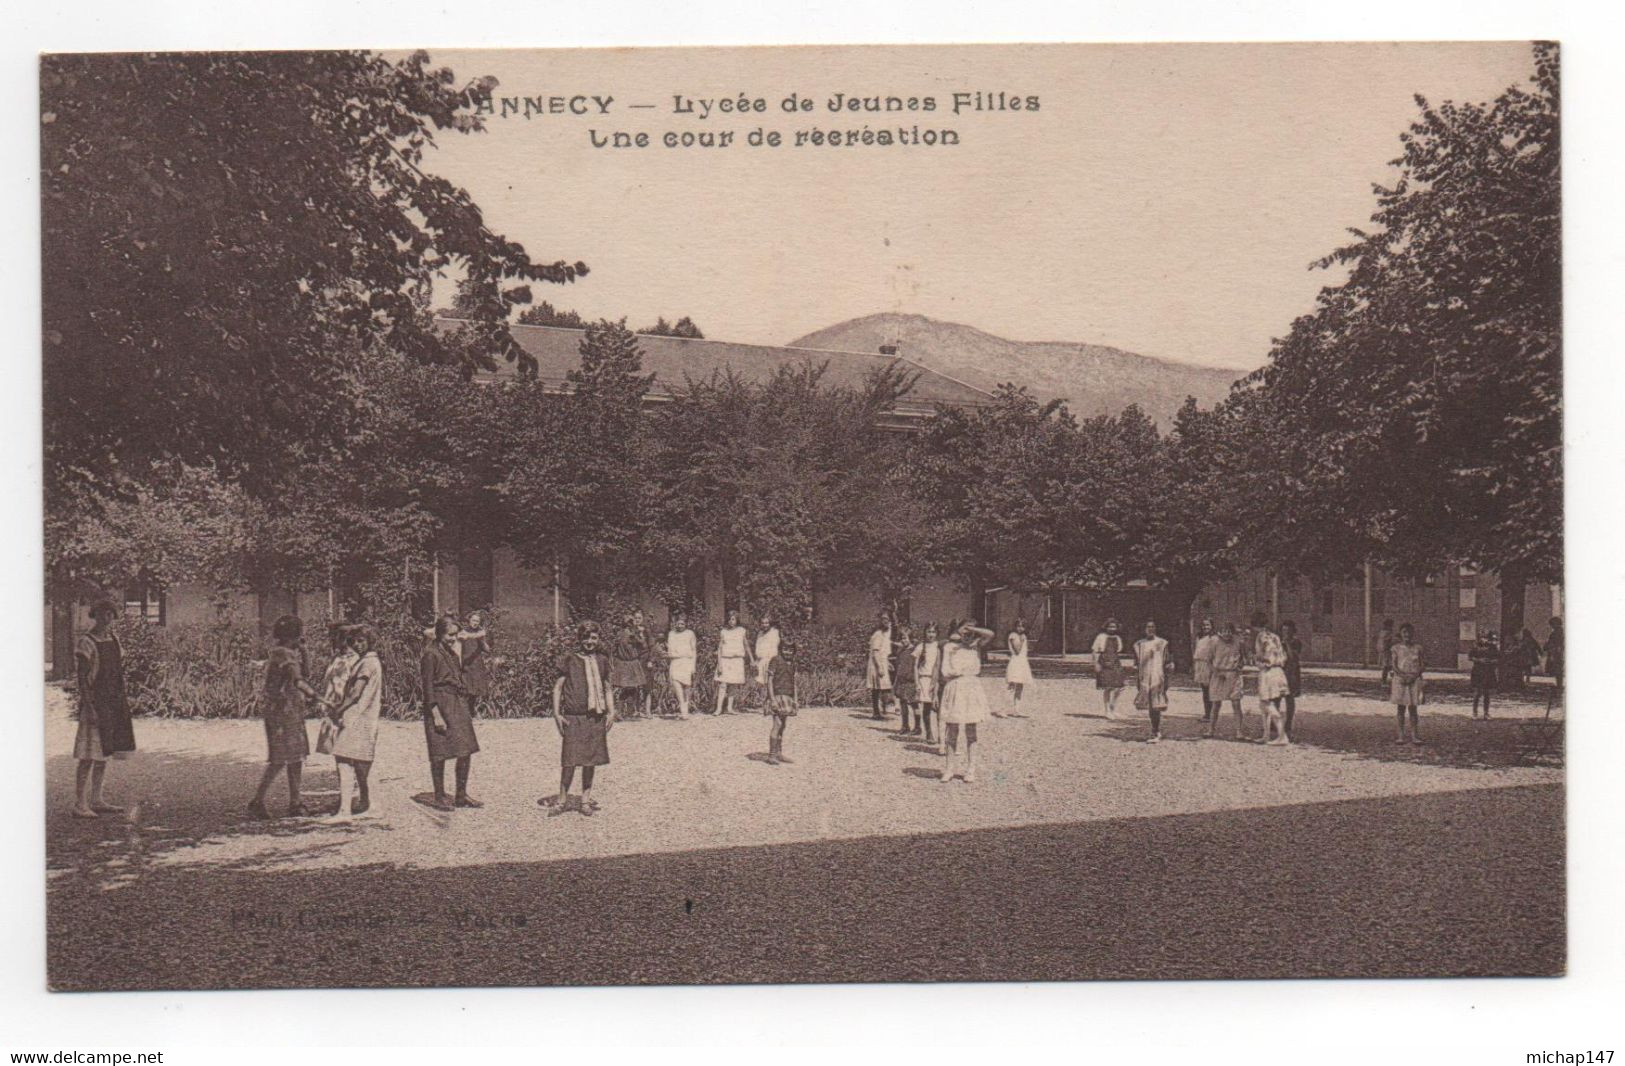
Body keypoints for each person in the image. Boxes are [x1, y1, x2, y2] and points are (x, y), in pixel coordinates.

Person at [248, 614, 320, 819]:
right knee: (281, 758)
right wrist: (316, 696)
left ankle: (295, 802)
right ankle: (257, 800)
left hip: (290, 711)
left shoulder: (286, 653)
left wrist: (304, 652)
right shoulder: (284, 655)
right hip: (282, 712)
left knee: (296, 757)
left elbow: (305, 672)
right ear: (295, 635)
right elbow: (299, 680)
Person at [71, 600, 136, 819]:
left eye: (110, 614)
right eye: (102, 614)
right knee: (88, 754)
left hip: (113, 701)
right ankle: (80, 804)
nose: (106, 618)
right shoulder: (86, 642)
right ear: (95, 615)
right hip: (95, 701)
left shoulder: (115, 640)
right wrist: (88, 705)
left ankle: (97, 799)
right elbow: (82, 678)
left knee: (104, 751)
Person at [546, 622, 616, 815]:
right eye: (586, 638)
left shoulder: (602, 660)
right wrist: (557, 713)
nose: (589, 642)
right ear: (580, 639)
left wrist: (611, 712)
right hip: (574, 717)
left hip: (595, 718)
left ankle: (585, 800)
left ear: (598, 639)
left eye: (593, 638)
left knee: (590, 760)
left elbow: (608, 688)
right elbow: (558, 689)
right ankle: (562, 800)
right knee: (569, 760)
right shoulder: (569, 659)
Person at [420, 616, 481, 811]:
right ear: (439, 633)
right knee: (440, 751)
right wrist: (435, 713)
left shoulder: (452, 654)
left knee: (466, 748)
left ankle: (461, 796)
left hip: (457, 703)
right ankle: (439, 796)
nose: (453, 639)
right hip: (439, 704)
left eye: (455, 634)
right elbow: (427, 686)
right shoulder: (430, 654)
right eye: (449, 635)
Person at [326, 624, 384, 821]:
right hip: (367, 717)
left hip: (356, 716)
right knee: (362, 764)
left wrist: (338, 709)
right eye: (354, 641)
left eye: (362, 640)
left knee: (344, 761)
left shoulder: (366, 664)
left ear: (370, 640)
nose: (358, 644)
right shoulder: (372, 661)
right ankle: (371, 805)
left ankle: (345, 811)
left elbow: (355, 693)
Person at [939, 621, 994, 783]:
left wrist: (973, 630)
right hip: (955, 686)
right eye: (964, 628)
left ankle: (971, 769)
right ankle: (949, 769)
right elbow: (945, 672)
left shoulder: (976, 646)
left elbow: (990, 634)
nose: (967, 633)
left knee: (971, 730)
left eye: (971, 630)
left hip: (971, 688)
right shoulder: (949, 647)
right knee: (952, 729)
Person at [1251, 612, 1290, 746]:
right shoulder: (1275, 636)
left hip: (1267, 671)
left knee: (1266, 703)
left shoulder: (1261, 637)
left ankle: (1282, 735)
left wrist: (1258, 661)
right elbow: (1283, 656)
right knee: (1264, 705)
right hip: (1278, 671)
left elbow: (1264, 656)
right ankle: (1266, 735)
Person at [763, 638, 800, 765]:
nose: (787, 652)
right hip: (777, 696)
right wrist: (772, 698)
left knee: (783, 725)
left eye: (790, 650)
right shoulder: (776, 660)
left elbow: (794, 683)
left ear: (793, 651)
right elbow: (770, 680)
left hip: (787, 697)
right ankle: (771, 755)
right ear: (780, 649)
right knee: (777, 724)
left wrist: (795, 699)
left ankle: (778, 752)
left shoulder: (793, 664)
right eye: (785, 649)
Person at [1207, 621, 1247, 739]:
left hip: (1233, 675)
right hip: (1219, 675)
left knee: (1236, 703)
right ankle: (1210, 730)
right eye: (1224, 631)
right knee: (1216, 704)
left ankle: (1239, 732)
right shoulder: (1214, 641)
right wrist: (1216, 672)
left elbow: (1243, 658)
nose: (1227, 634)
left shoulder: (1238, 642)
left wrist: (1239, 666)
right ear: (1220, 632)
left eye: (1229, 631)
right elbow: (1208, 661)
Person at [1133, 620, 1171, 743]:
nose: (1150, 629)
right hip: (1144, 677)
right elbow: (1137, 663)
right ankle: (1154, 729)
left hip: (1157, 676)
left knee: (1156, 704)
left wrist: (1166, 678)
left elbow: (1167, 662)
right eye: (1148, 627)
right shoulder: (1139, 644)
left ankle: (1156, 731)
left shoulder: (1162, 643)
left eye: (1153, 627)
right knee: (1149, 705)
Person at [1388, 622, 1426, 745]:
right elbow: (1394, 665)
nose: (1407, 635)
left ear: (1413, 634)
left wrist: (1414, 676)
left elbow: (1422, 664)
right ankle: (1401, 736)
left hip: (1414, 679)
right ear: (1401, 634)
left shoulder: (1418, 648)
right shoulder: (1396, 648)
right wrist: (1402, 676)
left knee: (1413, 708)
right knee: (1401, 708)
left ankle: (1415, 736)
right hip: (1400, 680)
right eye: (1404, 632)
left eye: (1409, 632)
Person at [609, 610, 650, 717]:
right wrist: (640, 633)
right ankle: (623, 711)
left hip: (623, 663)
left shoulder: (620, 633)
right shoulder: (631, 634)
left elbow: (614, 649)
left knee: (629, 688)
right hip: (630, 663)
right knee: (630, 688)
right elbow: (643, 644)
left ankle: (625, 711)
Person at [714, 610, 751, 715]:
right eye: (729, 619)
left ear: (737, 620)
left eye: (733, 619)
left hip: (737, 660)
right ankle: (718, 708)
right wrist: (720, 664)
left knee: (733, 684)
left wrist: (752, 659)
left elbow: (746, 645)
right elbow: (720, 648)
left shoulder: (741, 630)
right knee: (723, 684)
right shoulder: (723, 632)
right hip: (725, 659)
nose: (731, 621)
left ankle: (730, 708)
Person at [914, 623, 942, 746]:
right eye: (929, 632)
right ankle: (929, 732)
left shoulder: (939, 647)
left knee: (940, 708)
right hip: (924, 679)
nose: (931, 634)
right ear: (925, 632)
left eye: (933, 632)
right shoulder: (921, 647)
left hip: (936, 679)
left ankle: (942, 735)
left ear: (937, 633)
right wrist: (917, 683)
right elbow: (915, 666)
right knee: (927, 708)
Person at [1092, 619, 1128, 718]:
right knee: (1108, 688)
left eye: (1114, 627)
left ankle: (1113, 708)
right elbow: (1095, 651)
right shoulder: (1101, 637)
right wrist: (1096, 664)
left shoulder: (1118, 638)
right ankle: (1107, 711)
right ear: (1106, 627)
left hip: (1115, 663)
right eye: (1110, 626)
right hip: (1104, 663)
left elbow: (1118, 651)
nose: (1112, 629)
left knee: (1120, 687)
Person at [665, 611, 698, 718]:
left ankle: (686, 704)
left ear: (686, 624)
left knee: (687, 685)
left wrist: (693, 665)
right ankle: (683, 706)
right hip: (675, 661)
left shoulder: (690, 634)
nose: (680, 626)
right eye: (678, 623)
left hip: (687, 661)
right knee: (675, 682)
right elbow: (670, 649)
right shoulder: (671, 634)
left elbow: (693, 650)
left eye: (682, 624)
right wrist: (673, 654)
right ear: (675, 624)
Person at [459, 610, 493, 713]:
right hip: (466, 663)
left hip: (477, 664)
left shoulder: (480, 634)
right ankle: (463, 712)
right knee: (465, 688)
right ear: (469, 620)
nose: (475, 623)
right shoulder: (463, 632)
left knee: (475, 689)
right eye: (473, 620)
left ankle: (471, 712)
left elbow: (487, 650)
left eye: (477, 621)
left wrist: (482, 640)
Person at [865, 611, 894, 719]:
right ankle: (876, 711)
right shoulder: (878, 634)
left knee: (882, 687)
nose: (886, 622)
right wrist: (880, 667)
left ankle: (882, 709)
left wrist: (888, 663)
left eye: (888, 619)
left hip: (883, 661)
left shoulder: (885, 635)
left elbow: (884, 651)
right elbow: (876, 652)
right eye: (883, 619)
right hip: (876, 663)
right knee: (877, 688)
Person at [892, 624, 919, 735]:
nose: (903, 640)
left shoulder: (914, 651)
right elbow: (899, 666)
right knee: (903, 703)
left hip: (911, 681)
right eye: (902, 638)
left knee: (914, 704)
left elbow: (916, 666)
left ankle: (918, 726)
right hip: (902, 680)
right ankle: (905, 725)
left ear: (911, 638)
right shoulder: (900, 651)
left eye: (906, 638)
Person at [1004, 617, 1034, 717]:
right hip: (1016, 662)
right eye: (1018, 626)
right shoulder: (1013, 635)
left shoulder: (1023, 636)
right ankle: (1004, 709)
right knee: (1012, 686)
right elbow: (1017, 650)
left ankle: (1017, 709)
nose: (1020, 628)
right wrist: (1021, 640)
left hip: (1022, 662)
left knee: (1020, 687)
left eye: (1022, 626)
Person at [1280, 619, 1304, 741]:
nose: (1285, 633)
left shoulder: (1296, 642)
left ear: (1292, 631)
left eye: (1288, 631)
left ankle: (1288, 726)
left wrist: (1287, 644)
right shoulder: (1278, 642)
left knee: (1289, 700)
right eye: (1283, 630)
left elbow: (1293, 657)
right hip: (1280, 672)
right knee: (1276, 699)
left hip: (1292, 673)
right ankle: (1276, 725)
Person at [1192, 618, 1217, 730]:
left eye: (1208, 625)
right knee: (1204, 690)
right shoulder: (1199, 637)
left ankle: (1211, 714)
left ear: (1211, 626)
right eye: (1204, 625)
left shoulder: (1214, 638)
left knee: (1210, 690)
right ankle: (1207, 713)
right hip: (1200, 664)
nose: (1205, 627)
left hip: (1209, 664)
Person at [1469, 630, 1500, 720]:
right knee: (1477, 693)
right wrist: (1479, 660)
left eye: (1486, 637)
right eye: (1482, 637)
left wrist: (1492, 661)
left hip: (1488, 671)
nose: (1484, 640)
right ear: (1479, 638)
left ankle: (1486, 713)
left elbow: (1498, 658)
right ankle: (1474, 713)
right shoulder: (1475, 647)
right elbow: (1470, 657)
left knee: (1487, 693)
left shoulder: (1492, 647)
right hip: (1478, 671)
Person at [754, 610, 781, 687]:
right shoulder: (760, 634)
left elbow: (774, 649)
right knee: (760, 683)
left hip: (770, 661)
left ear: (770, 623)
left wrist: (770, 661)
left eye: (766, 623)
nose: (764, 625)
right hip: (760, 661)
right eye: (762, 623)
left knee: (769, 683)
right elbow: (757, 647)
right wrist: (757, 659)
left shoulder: (774, 633)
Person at [1544, 617, 1564, 690]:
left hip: (1556, 653)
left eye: (1552, 624)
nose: (1551, 626)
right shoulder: (1559, 632)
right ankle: (1559, 684)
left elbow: (1554, 643)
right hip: (1556, 652)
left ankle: (1559, 685)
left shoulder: (1557, 633)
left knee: (1558, 669)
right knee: (1558, 669)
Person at [1378, 619, 1397, 685]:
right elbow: (1387, 643)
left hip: (1384, 651)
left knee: (1389, 667)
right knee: (1387, 667)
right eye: (1391, 626)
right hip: (1387, 652)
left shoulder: (1382, 633)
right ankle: (1384, 681)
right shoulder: (1387, 633)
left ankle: (1390, 680)